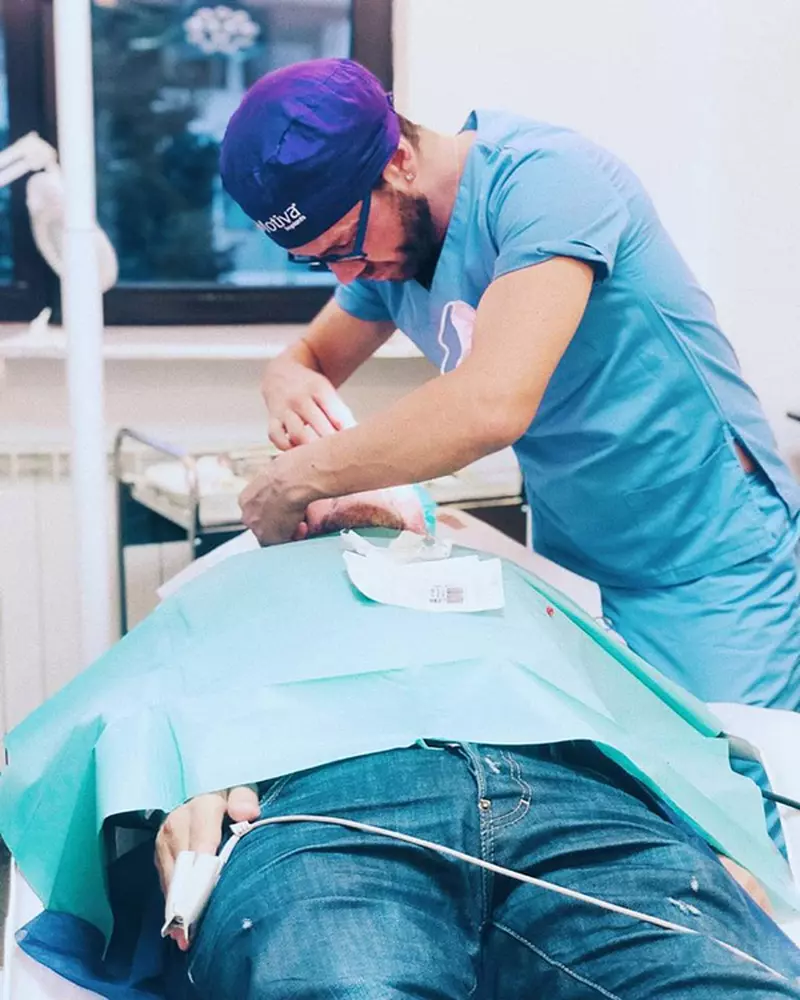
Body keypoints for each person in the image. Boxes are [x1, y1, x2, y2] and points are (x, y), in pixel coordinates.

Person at [3, 503, 799, 999]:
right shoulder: (230, 588)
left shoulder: (500, 577)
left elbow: (645, 714)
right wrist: (192, 783)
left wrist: (696, 822)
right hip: (326, 803)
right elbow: (135, 714)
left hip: (578, 796)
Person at [219, 57, 800, 714]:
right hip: (573, 557)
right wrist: (285, 379)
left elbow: (490, 405)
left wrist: (299, 479)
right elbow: (309, 356)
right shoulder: (387, 254)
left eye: (343, 244)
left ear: (398, 161)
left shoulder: (548, 184)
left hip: (703, 557)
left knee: (733, 772)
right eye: (316, 260)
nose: (346, 274)